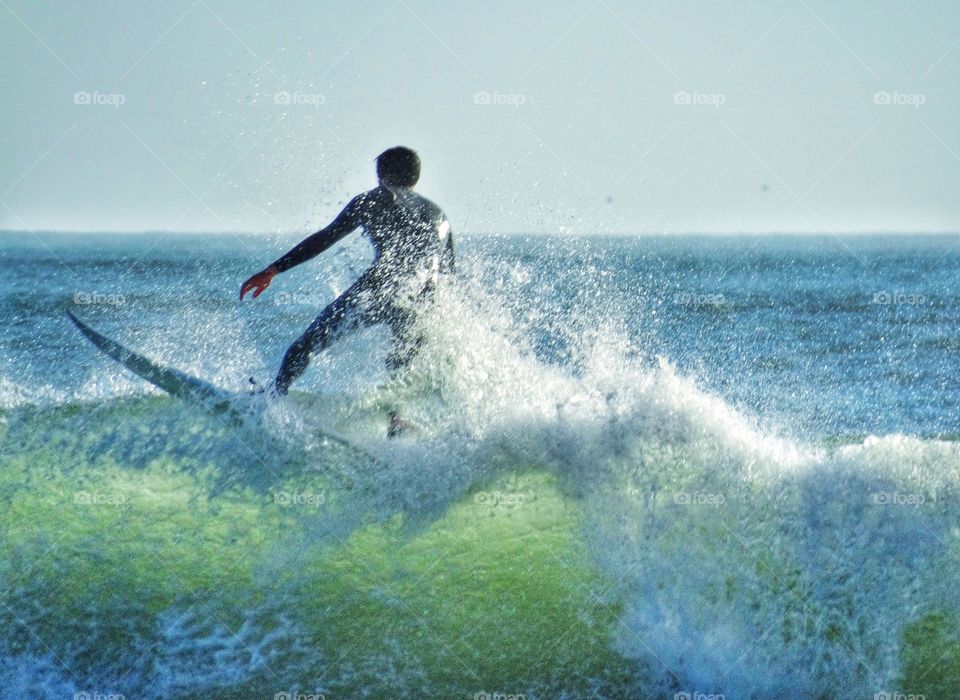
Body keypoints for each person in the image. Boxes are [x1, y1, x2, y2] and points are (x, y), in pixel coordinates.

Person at [239, 147, 455, 419]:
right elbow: (447, 275)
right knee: (399, 363)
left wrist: (272, 270)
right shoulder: (440, 216)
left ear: (382, 175)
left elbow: (326, 237)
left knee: (307, 344)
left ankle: (274, 394)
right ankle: (397, 421)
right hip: (422, 298)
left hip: (380, 287)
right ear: (416, 178)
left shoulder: (376, 198)